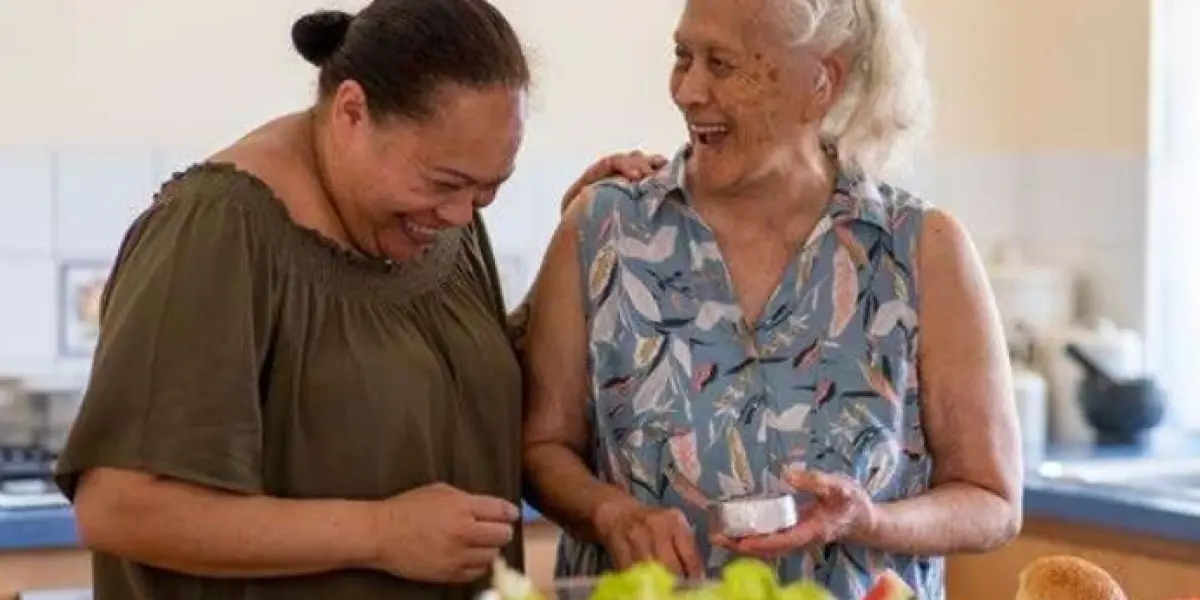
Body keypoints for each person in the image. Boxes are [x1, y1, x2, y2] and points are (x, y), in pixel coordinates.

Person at [53, 1, 662, 599]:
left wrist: (579, 237)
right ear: (351, 111)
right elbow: (119, 508)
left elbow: (468, 392)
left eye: (487, 190)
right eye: (446, 183)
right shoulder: (215, 232)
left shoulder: (435, 221)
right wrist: (377, 533)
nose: (460, 213)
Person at [521, 0, 1023, 597]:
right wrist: (611, 513)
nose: (687, 90)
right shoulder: (603, 226)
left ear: (820, 83)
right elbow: (540, 448)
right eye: (683, 56)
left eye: (723, 64)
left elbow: (992, 501)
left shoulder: (922, 251)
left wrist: (869, 519)